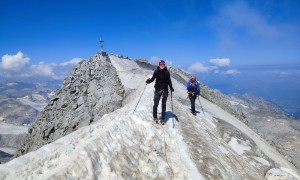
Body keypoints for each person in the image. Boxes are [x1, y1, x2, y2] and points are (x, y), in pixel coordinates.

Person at [146, 60, 174, 124]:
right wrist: (148, 81)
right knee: (156, 104)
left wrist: (171, 87)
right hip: (157, 90)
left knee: (163, 104)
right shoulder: (156, 71)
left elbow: (169, 81)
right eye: (161, 65)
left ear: (164, 65)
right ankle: (155, 117)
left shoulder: (167, 73)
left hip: (165, 90)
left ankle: (163, 118)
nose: (162, 66)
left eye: (163, 65)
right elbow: (153, 79)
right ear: (159, 65)